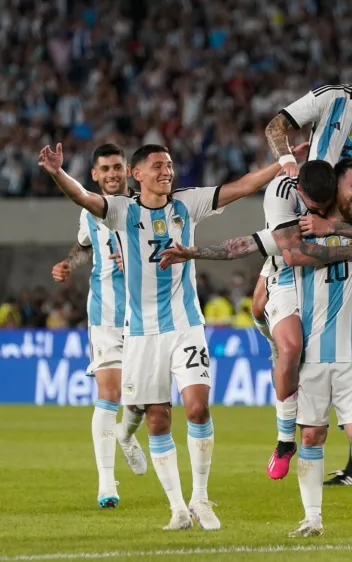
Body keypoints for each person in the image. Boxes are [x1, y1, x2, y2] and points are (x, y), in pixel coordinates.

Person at [38, 142, 284, 531]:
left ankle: (200, 498)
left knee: (198, 407)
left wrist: (281, 165)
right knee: (156, 418)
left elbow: (239, 187)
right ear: (138, 174)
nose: (166, 171)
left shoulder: (188, 203)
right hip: (140, 332)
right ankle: (178, 509)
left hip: (186, 324)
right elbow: (82, 196)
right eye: (157, 166)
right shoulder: (122, 210)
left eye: (169, 165)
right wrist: (56, 173)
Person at [159, 159, 352, 537]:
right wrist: (195, 252)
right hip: (314, 351)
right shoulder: (295, 232)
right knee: (311, 436)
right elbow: (245, 244)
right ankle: (312, 517)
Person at [252, 43, 352, 477]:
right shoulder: (330, 98)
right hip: (310, 221)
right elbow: (276, 126)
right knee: (289, 342)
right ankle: (285, 439)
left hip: (351, 230)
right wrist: (289, 164)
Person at [49, 143, 147, 509]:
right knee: (109, 394)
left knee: (144, 400)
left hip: (145, 315)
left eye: (117, 167)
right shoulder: (90, 212)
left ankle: (125, 434)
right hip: (105, 314)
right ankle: (107, 482)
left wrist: (138, 262)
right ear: (94, 174)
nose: (111, 173)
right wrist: (67, 264)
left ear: (128, 170)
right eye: (104, 168)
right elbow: (84, 247)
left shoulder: (145, 208)